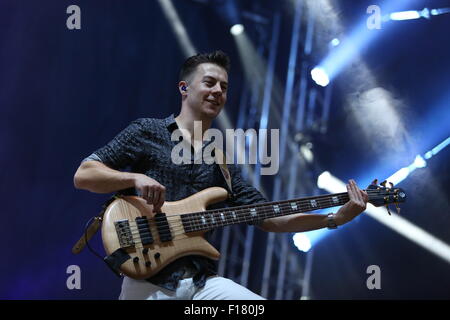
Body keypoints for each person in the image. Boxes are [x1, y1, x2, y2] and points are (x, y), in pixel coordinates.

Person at [73, 50, 368, 300]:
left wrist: (334, 219)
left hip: (202, 286)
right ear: (184, 88)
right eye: (210, 82)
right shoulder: (147, 131)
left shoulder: (222, 163)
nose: (218, 91)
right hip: (146, 281)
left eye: (224, 87)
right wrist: (134, 179)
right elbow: (84, 174)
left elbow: (269, 217)